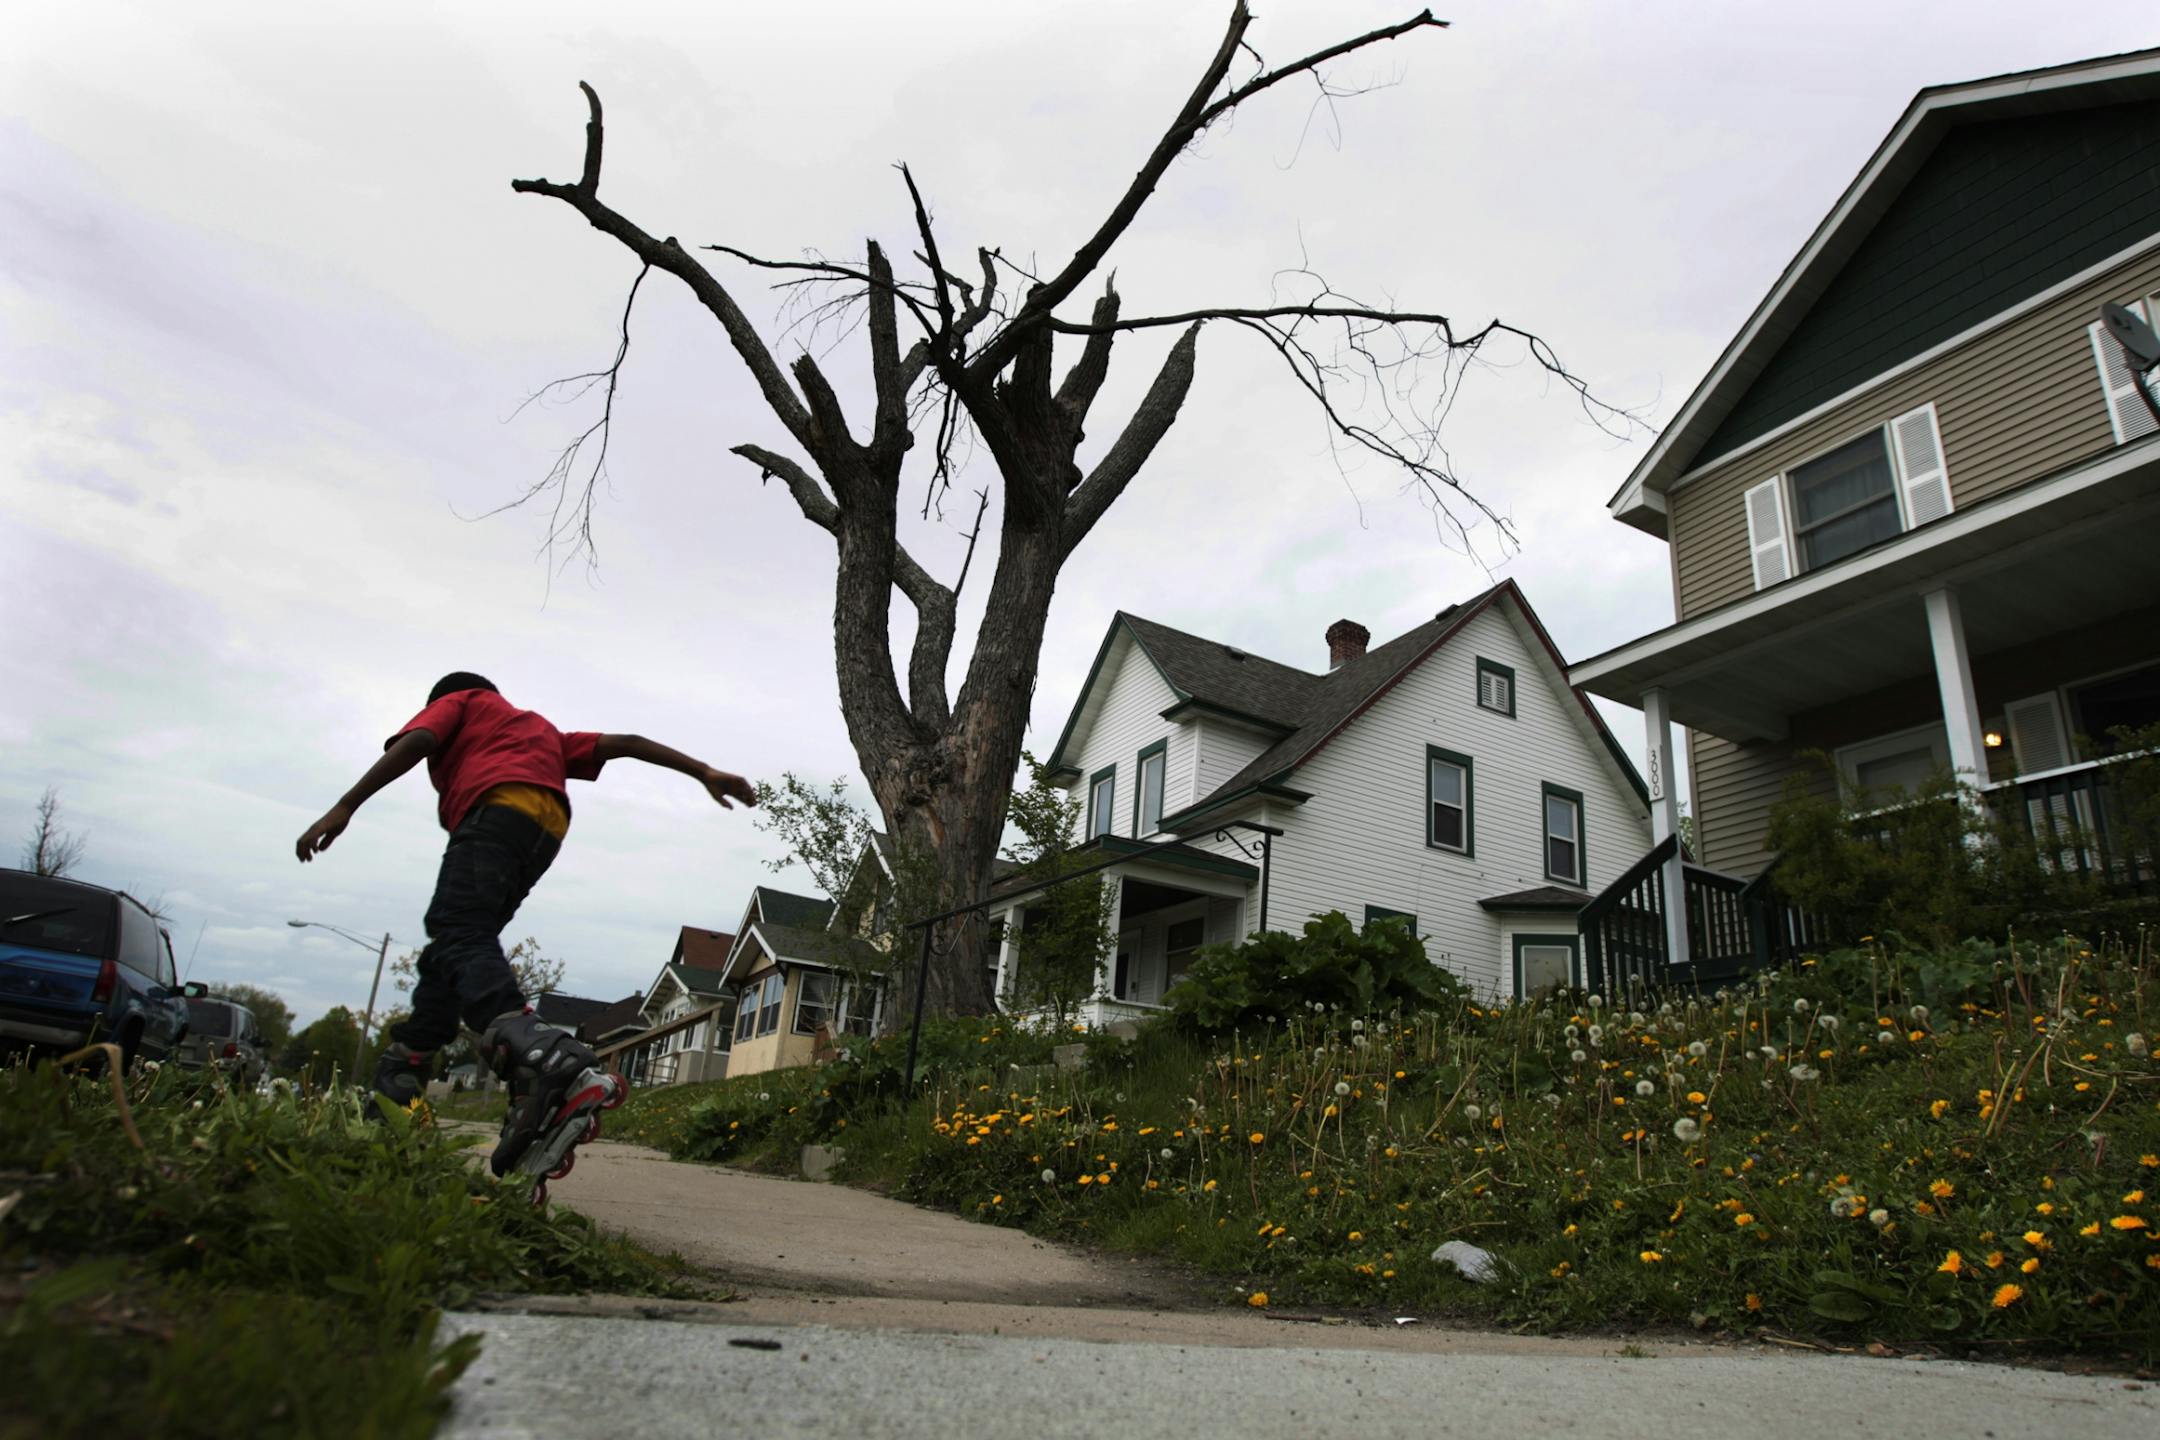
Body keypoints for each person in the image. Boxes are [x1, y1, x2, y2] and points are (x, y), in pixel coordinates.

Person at [294, 671, 755, 1185]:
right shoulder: (539, 728)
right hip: (546, 825)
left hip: (495, 809)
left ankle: (542, 1056)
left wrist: (345, 805)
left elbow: (420, 739)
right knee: (452, 955)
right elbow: (627, 744)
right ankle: (407, 1084)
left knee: (457, 928)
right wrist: (704, 771)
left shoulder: (463, 701)